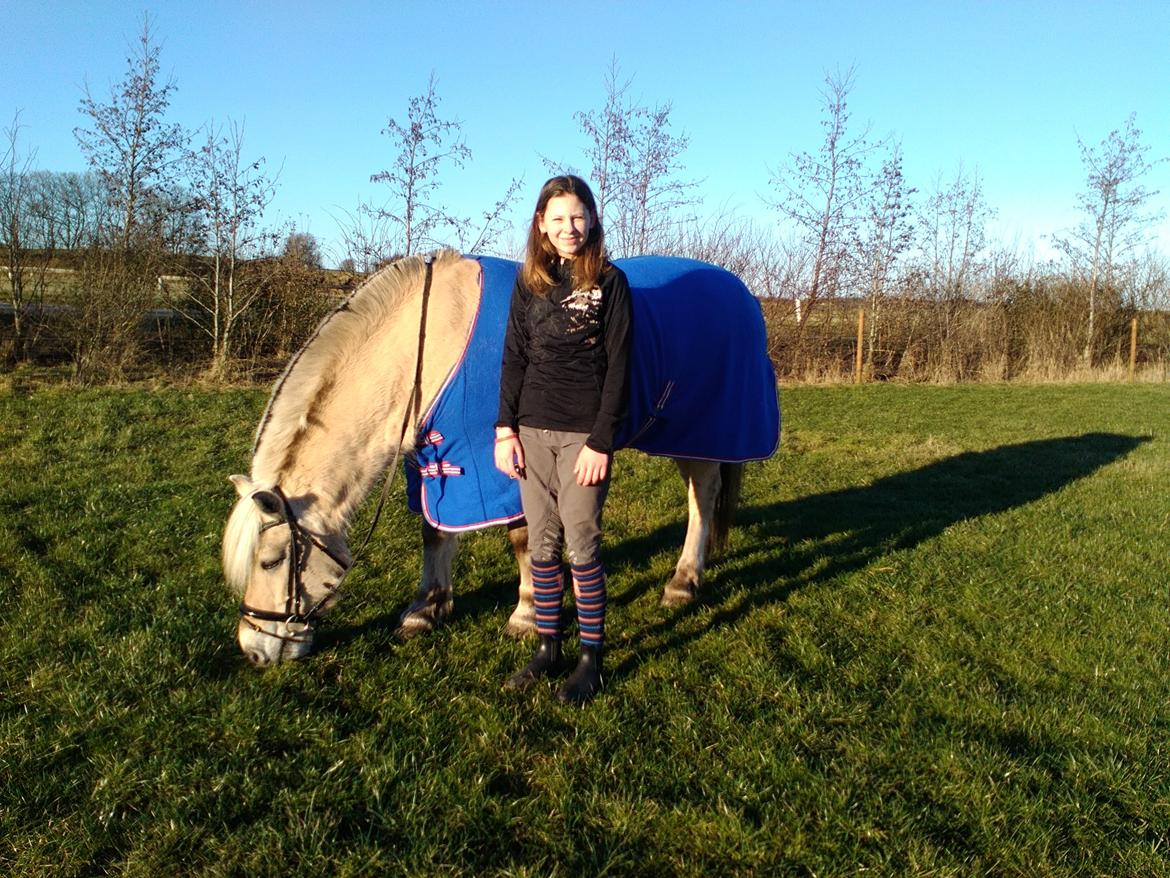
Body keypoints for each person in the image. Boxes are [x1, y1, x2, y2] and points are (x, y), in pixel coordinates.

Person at [494, 175, 631, 705]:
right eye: (557, 219)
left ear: (591, 219)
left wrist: (601, 442)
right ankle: (548, 650)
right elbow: (514, 357)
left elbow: (619, 368)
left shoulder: (610, 283)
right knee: (542, 545)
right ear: (541, 224)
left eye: (577, 217)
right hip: (531, 432)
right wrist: (505, 429)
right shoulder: (530, 283)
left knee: (581, 545)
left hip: (583, 437)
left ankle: (591, 660)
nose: (568, 228)